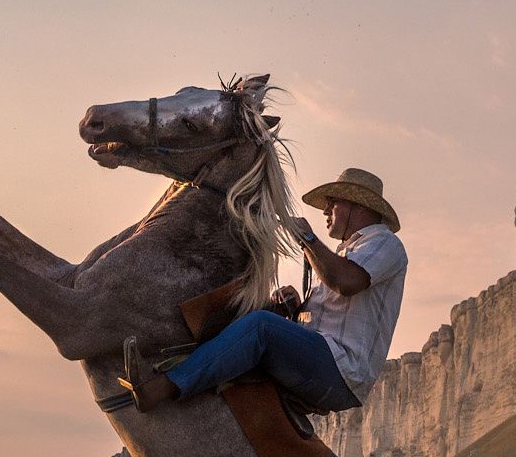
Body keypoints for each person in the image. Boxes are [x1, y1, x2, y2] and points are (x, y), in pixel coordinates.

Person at [122, 167, 407, 414]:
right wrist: (297, 308)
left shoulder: (383, 242)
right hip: (324, 359)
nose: (325, 210)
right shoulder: (347, 252)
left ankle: (164, 386)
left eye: (332, 202)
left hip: (341, 370)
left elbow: (345, 283)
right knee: (249, 315)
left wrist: (308, 239)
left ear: (357, 206)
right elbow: (334, 303)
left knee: (261, 328)